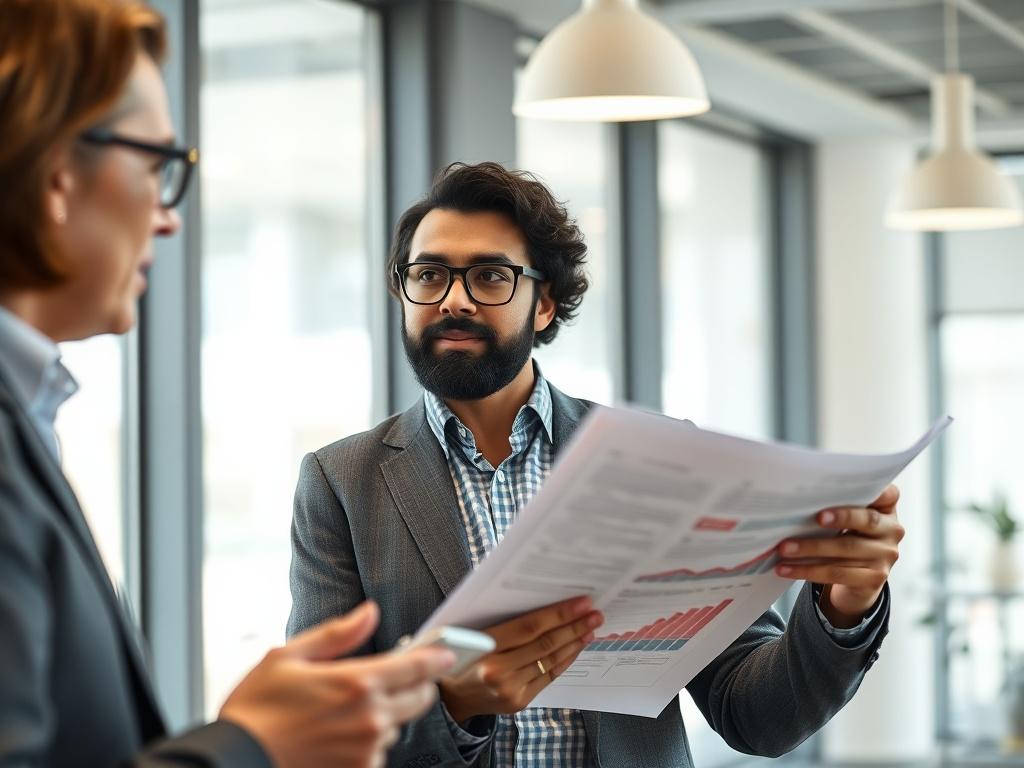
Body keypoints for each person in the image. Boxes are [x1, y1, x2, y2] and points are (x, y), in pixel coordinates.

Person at [288, 161, 904, 767]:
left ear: (545, 303)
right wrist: (452, 704)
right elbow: (318, 732)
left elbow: (755, 716)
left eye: (489, 276)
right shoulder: (342, 483)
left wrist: (843, 605)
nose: (455, 301)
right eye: (429, 275)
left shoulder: (659, 460)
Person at [0, 1, 456, 766]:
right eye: (157, 167)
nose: (169, 218)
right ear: (56, 177)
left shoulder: (28, 407)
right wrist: (251, 746)